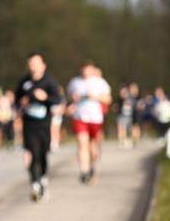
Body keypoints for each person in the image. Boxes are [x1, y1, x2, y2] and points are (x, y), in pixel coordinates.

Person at [14, 53, 62, 202]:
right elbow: (15, 101)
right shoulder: (24, 82)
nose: (33, 66)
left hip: (44, 123)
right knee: (31, 153)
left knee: (42, 154)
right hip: (29, 124)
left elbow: (57, 100)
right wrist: (22, 103)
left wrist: (45, 98)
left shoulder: (49, 81)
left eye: (36, 63)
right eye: (30, 63)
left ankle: (43, 179)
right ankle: (35, 183)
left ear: (43, 65)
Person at [66, 61, 112, 184]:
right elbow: (69, 97)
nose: (85, 71)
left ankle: (92, 166)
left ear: (92, 69)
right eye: (83, 68)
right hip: (80, 117)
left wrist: (95, 97)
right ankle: (84, 171)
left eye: (88, 68)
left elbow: (108, 99)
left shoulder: (100, 82)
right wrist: (72, 99)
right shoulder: (75, 82)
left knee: (93, 147)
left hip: (95, 118)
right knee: (82, 144)